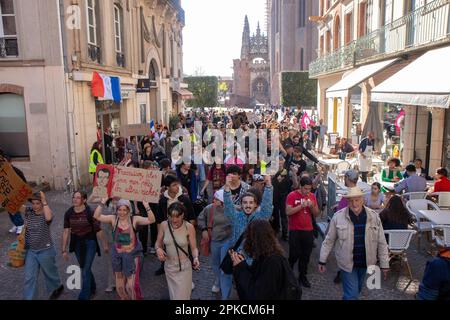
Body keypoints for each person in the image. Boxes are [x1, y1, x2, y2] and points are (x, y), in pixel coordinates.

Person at [318, 187, 390, 300]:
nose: (354, 203)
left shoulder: (374, 217)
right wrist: (322, 260)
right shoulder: (338, 217)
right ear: (347, 202)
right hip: (347, 264)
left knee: (356, 290)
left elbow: (381, 242)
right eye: (351, 200)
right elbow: (329, 241)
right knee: (352, 295)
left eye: (357, 200)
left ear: (363, 200)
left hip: (366, 263)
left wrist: (384, 264)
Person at [222, 174, 273, 300]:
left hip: (256, 262)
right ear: (241, 204)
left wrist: (269, 186)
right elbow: (228, 207)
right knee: (242, 291)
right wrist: (227, 189)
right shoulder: (235, 217)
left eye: (251, 202)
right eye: (245, 202)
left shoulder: (260, 217)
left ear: (256, 205)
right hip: (239, 262)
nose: (248, 205)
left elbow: (267, 207)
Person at [93, 198, 155, 300]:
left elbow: (151, 220)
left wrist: (146, 206)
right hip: (117, 255)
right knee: (120, 287)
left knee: (131, 286)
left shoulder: (134, 219)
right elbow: (96, 216)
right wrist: (102, 202)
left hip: (132, 255)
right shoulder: (113, 219)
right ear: (116, 210)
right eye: (119, 210)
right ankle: (124, 297)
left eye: (124, 210)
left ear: (129, 210)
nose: (121, 212)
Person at [231, 220, 298, 300]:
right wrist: (242, 265)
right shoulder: (267, 255)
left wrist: (241, 268)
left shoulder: (271, 262)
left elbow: (258, 294)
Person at [62, 191, 106, 300]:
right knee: (84, 267)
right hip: (77, 243)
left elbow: (98, 230)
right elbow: (66, 231)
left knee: (85, 269)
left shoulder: (90, 212)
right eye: (74, 197)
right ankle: (93, 287)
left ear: (84, 200)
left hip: (90, 242)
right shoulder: (68, 213)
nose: (75, 199)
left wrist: (105, 244)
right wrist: (63, 249)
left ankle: (84, 296)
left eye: (78, 198)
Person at [22, 192, 64, 300]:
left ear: (42, 204)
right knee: (29, 277)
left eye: (37, 203)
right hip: (31, 251)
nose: (35, 206)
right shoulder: (29, 211)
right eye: (33, 203)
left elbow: (49, 217)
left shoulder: (47, 213)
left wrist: (44, 201)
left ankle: (57, 286)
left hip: (45, 250)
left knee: (50, 274)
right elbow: (15, 205)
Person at [155, 202, 200, 300]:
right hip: (169, 267)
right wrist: (158, 249)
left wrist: (196, 258)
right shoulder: (164, 225)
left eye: (177, 216)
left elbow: (194, 248)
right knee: (174, 297)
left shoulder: (189, 227)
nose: (173, 219)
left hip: (184, 267)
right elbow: (157, 243)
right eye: (171, 216)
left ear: (182, 215)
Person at [155, 175, 196, 276]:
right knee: (167, 249)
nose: (177, 187)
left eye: (177, 184)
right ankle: (164, 266)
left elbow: (191, 217)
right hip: (168, 230)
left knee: (186, 250)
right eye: (174, 185)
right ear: (167, 187)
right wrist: (160, 234)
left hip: (183, 230)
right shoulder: (163, 201)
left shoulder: (184, 199)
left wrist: (190, 231)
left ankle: (190, 267)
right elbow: (159, 219)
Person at [286, 177, 320, 288]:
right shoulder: (292, 195)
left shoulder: (312, 196)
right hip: (295, 229)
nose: (307, 191)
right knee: (294, 254)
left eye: (309, 189)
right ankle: (288, 274)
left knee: (305, 256)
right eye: (305, 189)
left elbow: (316, 214)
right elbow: (288, 212)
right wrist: (301, 206)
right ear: (300, 186)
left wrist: (311, 207)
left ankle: (302, 276)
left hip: (308, 230)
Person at [197, 190, 231, 295]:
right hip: (214, 240)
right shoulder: (209, 208)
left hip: (227, 240)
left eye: (216, 199)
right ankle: (218, 280)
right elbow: (201, 219)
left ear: (222, 201)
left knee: (223, 263)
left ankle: (222, 282)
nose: (214, 200)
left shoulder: (231, 209)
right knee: (215, 263)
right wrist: (204, 230)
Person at [272, 156, 298, 241]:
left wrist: (294, 173)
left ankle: (285, 233)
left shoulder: (288, 172)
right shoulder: (271, 171)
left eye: (281, 161)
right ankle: (276, 230)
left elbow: (295, 185)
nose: (279, 163)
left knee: (284, 215)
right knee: (275, 214)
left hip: (284, 195)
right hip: (274, 195)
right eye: (277, 161)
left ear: (283, 162)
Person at [3, 155, 26, 235]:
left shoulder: (16, 171)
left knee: (15, 209)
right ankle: (16, 224)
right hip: (6, 193)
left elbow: (24, 182)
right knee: (10, 210)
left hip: (16, 193)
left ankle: (21, 225)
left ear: (10, 162)